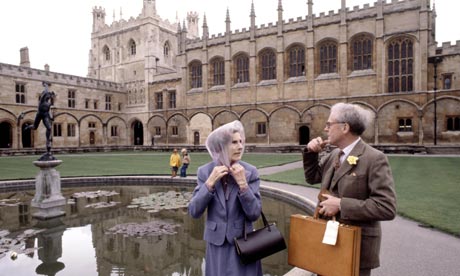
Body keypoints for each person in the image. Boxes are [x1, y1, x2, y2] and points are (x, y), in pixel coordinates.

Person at [303, 103, 397, 276]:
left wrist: (341, 205)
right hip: (327, 242)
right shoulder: (334, 154)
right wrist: (310, 153)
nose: (325, 128)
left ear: (345, 127)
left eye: (329, 124)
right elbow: (312, 178)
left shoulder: (374, 158)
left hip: (356, 248)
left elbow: (386, 207)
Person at [188, 120, 262, 276]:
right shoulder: (205, 172)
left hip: (244, 243)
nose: (240, 146)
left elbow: (254, 213)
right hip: (217, 244)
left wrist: (243, 185)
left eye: (241, 141)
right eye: (234, 142)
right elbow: (194, 211)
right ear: (220, 147)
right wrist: (209, 183)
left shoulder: (250, 172)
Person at [26, 81, 55, 159]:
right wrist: (46, 85)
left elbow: (48, 112)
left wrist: (51, 117)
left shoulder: (49, 104)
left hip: (45, 115)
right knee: (35, 127)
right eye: (49, 96)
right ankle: (28, 127)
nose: (49, 97)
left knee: (49, 128)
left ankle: (48, 142)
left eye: (50, 96)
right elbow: (45, 92)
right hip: (39, 115)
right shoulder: (41, 100)